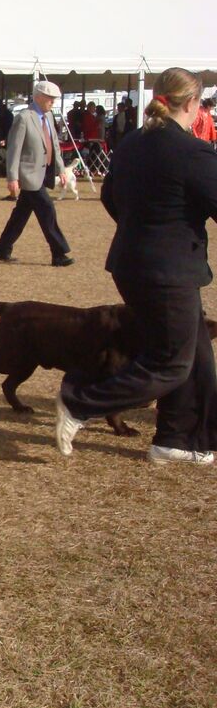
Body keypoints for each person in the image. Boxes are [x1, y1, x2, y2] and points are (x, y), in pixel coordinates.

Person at [55, 67, 217, 466]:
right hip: (168, 271)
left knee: (196, 358)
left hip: (135, 264)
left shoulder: (131, 144)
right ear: (194, 105)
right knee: (172, 361)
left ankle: (178, 440)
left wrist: (143, 227)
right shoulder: (193, 152)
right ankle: (79, 400)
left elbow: (111, 198)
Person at [0, 80, 73, 267]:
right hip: (28, 175)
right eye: (50, 98)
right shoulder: (24, 118)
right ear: (38, 97)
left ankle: (2, 248)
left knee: (20, 215)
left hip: (43, 174)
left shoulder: (49, 116)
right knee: (47, 210)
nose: (53, 102)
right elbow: (14, 149)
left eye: (54, 98)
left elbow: (55, 146)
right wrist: (13, 177)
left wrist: (61, 169)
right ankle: (58, 253)